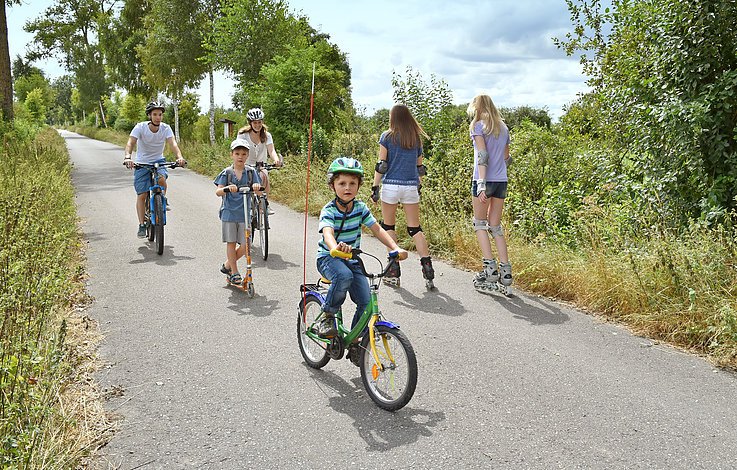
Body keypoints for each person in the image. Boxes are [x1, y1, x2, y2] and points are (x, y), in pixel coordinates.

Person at [316, 157, 406, 338]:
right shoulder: (329, 210)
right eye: (342, 183)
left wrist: (394, 247)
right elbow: (327, 233)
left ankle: (356, 341)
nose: (347, 187)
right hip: (329, 258)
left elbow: (377, 229)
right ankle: (327, 316)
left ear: (358, 186)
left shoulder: (360, 208)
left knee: (366, 302)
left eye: (352, 183)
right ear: (332, 186)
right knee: (343, 276)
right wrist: (334, 248)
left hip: (352, 260)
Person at [371, 104, 434, 288]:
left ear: (393, 118)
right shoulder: (415, 138)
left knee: (388, 226)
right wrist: (418, 186)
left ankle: (393, 270)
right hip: (410, 187)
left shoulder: (387, 136)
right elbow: (419, 168)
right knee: (415, 229)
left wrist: (375, 187)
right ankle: (428, 269)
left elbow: (382, 164)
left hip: (390, 186)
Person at [467, 94, 513, 292]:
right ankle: (506, 274)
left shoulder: (478, 126)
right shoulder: (503, 127)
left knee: (480, 224)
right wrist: (499, 171)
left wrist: (483, 183)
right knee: (495, 226)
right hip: (501, 180)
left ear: (476, 108)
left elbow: (483, 155)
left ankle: (490, 271)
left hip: (483, 180)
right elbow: (507, 157)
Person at [124, 101, 186, 238]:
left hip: (158, 161)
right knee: (142, 195)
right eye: (155, 114)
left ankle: (162, 198)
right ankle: (141, 224)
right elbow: (130, 142)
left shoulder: (165, 128)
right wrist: (128, 157)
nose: (158, 117)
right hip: (142, 162)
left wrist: (179, 157)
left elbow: (173, 144)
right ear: (149, 115)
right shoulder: (140, 127)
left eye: (160, 114)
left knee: (161, 180)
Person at [214, 139, 263, 286]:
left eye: (243, 154)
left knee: (245, 245)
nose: (240, 156)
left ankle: (227, 265)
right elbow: (218, 191)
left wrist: (256, 187)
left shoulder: (250, 172)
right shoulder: (227, 173)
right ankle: (234, 272)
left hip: (244, 215)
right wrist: (227, 188)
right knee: (231, 243)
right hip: (229, 213)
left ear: (247, 155)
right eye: (237, 153)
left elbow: (260, 192)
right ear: (232, 155)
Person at [236, 107, 282, 212]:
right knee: (242, 184)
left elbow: (271, 150)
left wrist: (276, 160)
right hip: (246, 165)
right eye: (255, 122)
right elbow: (239, 150)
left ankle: (265, 203)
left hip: (261, 165)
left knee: (264, 176)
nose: (257, 125)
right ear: (250, 123)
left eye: (259, 122)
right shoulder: (243, 134)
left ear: (262, 122)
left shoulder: (266, 135)